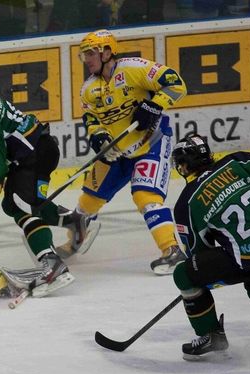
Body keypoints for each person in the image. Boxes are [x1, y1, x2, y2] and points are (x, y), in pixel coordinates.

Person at [0, 72, 95, 295]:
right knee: (14, 204)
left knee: (21, 205)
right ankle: (74, 222)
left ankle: (53, 265)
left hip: (34, 154)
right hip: (34, 150)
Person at [60, 29, 188, 275]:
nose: (86, 59)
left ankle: (172, 251)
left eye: (90, 53)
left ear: (107, 52)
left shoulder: (133, 68)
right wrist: (98, 136)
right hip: (117, 151)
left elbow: (177, 84)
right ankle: (74, 243)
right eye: (83, 54)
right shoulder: (88, 88)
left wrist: (154, 105)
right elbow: (91, 118)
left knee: (145, 196)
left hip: (152, 143)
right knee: (86, 203)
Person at [171, 134, 250, 360]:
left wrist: (197, 295)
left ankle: (210, 334)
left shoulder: (187, 202)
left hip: (248, 260)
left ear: (183, 166)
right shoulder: (238, 161)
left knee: (184, 274)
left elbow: (199, 252)